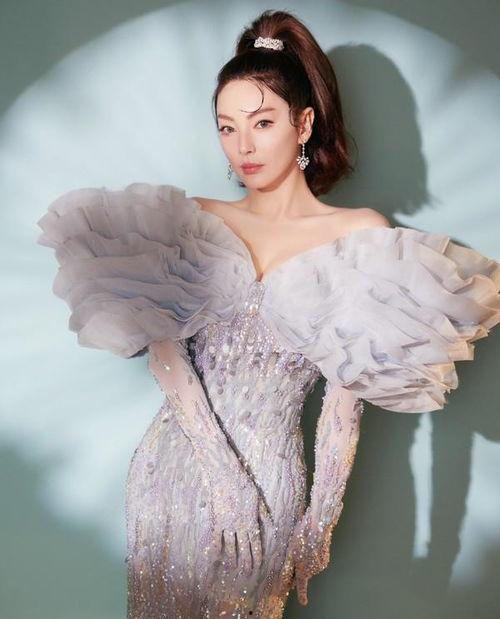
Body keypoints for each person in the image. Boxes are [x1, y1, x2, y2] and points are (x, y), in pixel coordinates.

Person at [35, 9, 500, 619]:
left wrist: (321, 521)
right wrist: (223, 479)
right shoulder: (196, 219)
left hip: (273, 470)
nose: (243, 146)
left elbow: (343, 406)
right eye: (227, 128)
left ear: (303, 123)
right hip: (174, 465)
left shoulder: (358, 236)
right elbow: (166, 355)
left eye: (262, 122)